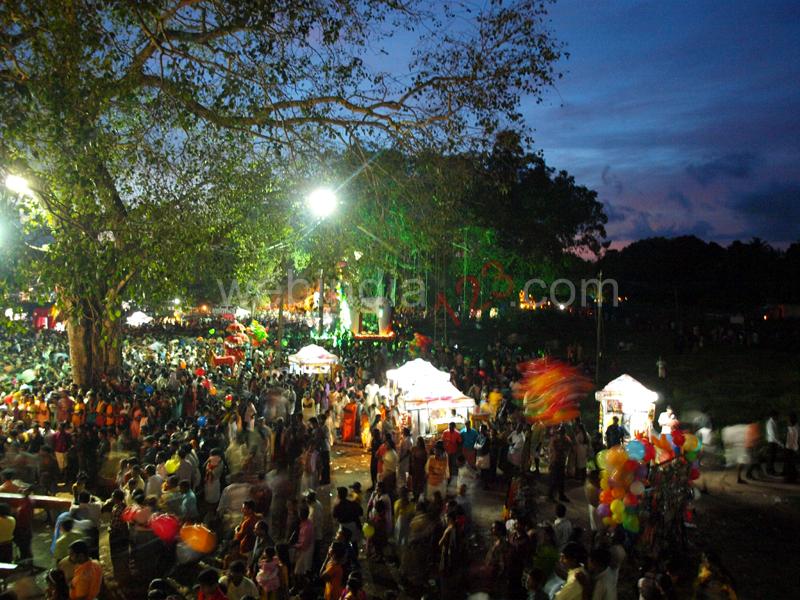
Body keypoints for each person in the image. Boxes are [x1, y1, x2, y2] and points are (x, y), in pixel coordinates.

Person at [548, 427, 572, 503]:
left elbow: (569, 448)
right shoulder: (556, 440)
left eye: (561, 432)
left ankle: (559, 495)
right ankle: (551, 495)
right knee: (555, 478)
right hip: (556, 461)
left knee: (560, 479)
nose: (560, 434)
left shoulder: (565, 439)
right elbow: (553, 450)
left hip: (560, 461)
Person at [765, 411, 782, 476]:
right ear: (773, 416)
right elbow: (773, 435)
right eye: (777, 416)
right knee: (771, 457)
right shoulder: (770, 423)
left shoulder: (774, 422)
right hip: (772, 442)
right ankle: (769, 471)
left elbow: (776, 434)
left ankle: (771, 470)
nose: (778, 417)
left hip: (774, 442)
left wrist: (778, 442)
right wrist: (780, 443)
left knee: (773, 457)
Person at [785, 412, 798, 484]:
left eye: (789, 419)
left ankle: (791, 478)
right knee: (790, 464)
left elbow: (796, 439)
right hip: (789, 447)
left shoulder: (795, 428)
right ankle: (790, 478)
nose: (788, 420)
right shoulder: (792, 427)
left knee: (791, 464)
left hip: (792, 448)